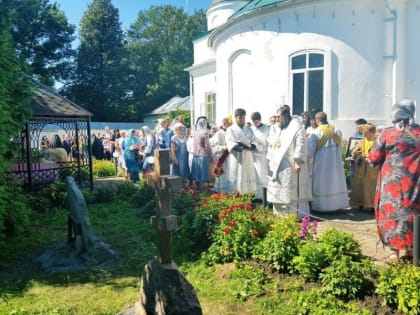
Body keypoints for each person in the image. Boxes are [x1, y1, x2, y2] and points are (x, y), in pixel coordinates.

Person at [367, 99, 420, 260]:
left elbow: (373, 159)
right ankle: (412, 250)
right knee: (413, 214)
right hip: (415, 185)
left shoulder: (388, 133)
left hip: (393, 186)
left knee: (392, 214)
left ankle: (394, 253)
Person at [267, 106, 312, 217]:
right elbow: (272, 144)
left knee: (291, 192)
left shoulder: (297, 127)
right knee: (279, 190)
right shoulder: (277, 128)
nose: (277, 119)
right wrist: (269, 159)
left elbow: (300, 144)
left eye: (279, 117)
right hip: (277, 165)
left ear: (286, 116)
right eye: (276, 117)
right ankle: (279, 214)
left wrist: (297, 162)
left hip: (290, 165)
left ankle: (295, 215)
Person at [307, 112, 349, 212]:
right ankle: (338, 204)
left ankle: (322, 206)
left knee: (322, 183)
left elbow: (310, 151)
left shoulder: (315, 132)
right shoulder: (337, 130)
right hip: (336, 163)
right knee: (336, 182)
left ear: (317, 121)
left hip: (322, 163)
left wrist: (308, 159)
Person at [225, 108, 258, 195]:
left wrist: (252, 146)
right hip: (236, 156)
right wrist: (238, 147)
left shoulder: (249, 129)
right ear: (235, 118)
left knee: (247, 175)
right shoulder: (230, 129)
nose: (242, 120)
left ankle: (248, 195)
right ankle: (236, 196)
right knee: (236, 175)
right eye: (240, 118)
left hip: (247, 156)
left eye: (243, 118)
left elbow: (254, 140)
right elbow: (229, 141)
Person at [349, 123, 379, 211]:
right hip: (362, 166)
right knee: (360, 186)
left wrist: (370, 158)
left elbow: (379, 153)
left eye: (366, 132)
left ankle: (372, 206)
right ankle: (360, 204)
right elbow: (354, 151)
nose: (364, 134)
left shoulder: (377, 141)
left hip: (372, 168)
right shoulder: (363, 140)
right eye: (363, 132)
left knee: (371, 187)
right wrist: (358, 156)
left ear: (372, 132)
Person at [250, 111, 270, 203]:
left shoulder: (266, 129)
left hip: (262, 156)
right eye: (253, 122)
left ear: (260, 119)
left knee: (262, 175)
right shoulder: (251, 128)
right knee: (254, 175)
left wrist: (258, 141)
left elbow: (268, 141)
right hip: (252, 155)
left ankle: (263, 197)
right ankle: (255, 195)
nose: (255, 123)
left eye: (256, 121)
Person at [210, 117, 232, 193]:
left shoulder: (232, 133)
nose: (227, 125)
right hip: (223, 158)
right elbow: (214, 147)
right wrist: (224, 147)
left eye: (229, 123)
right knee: (222, 176)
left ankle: (230, 193)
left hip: (232, 159)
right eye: (225, 123)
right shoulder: (219, 134)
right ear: (223, 124)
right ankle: (221, 193)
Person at [191, 117, 212, 191]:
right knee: (204, 176)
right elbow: (207, 146)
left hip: (195, 156)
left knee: (197, 175)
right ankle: (205, 193)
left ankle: (197, 192)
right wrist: (210, 154)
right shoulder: (205, 132)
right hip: (203, 156)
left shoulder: (194, 133)